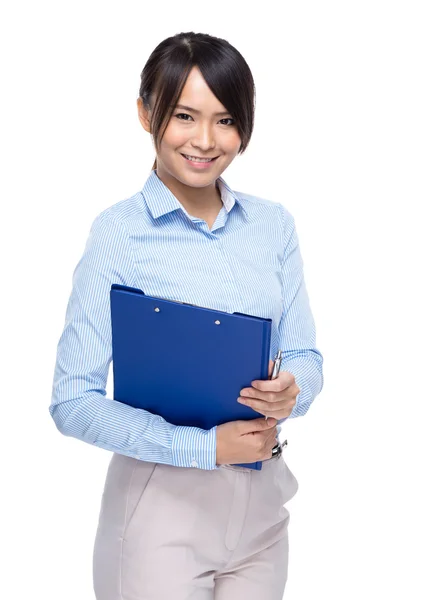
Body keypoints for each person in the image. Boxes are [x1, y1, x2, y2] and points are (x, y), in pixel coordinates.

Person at [49, 31, 324, 600]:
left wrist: (294, 389)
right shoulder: (118, 234)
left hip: (264, 514)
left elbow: (305, 355)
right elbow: (72, 400)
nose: (205, 140)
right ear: (146, 112)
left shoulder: (272, 225)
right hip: (160, 516)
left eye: (225, 119)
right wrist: (204, 448)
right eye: (183, 115)